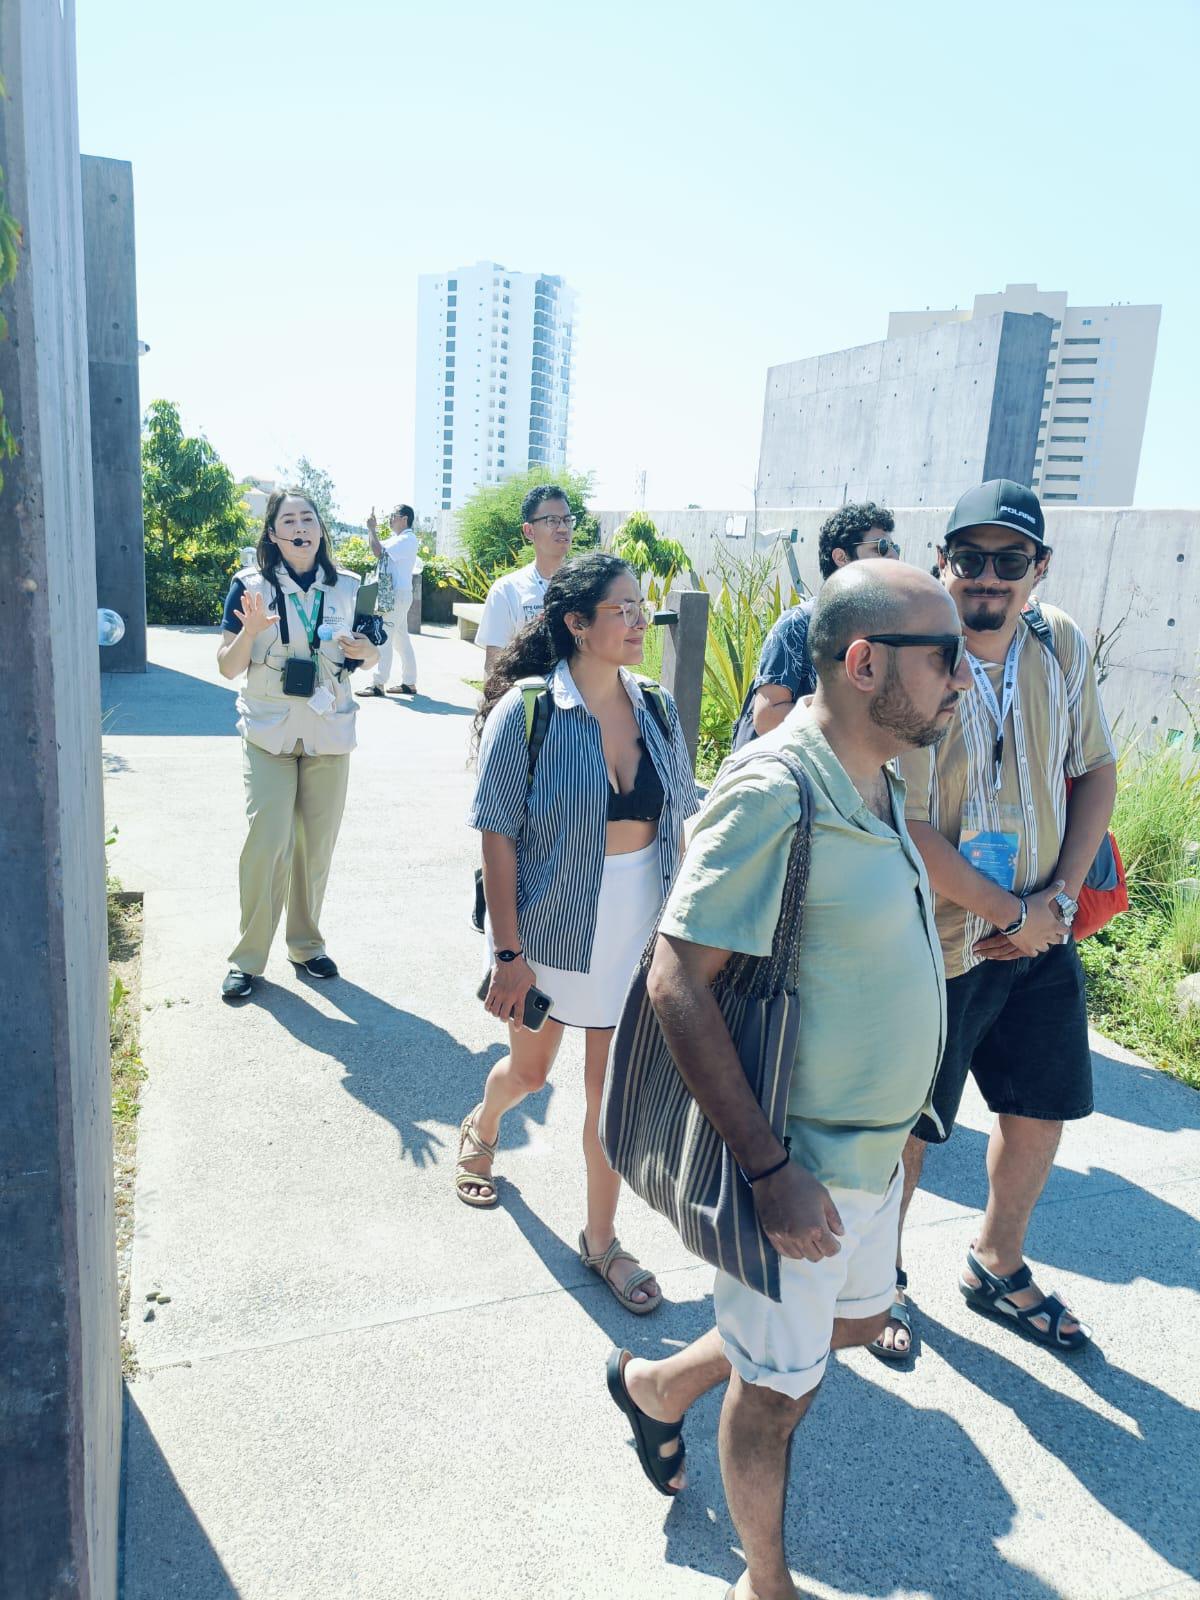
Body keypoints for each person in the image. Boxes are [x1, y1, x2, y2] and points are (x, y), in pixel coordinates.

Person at [605, 561, 972, 1600]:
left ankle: (658, 1384)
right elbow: (678, 979)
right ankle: (764, 1585)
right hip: (799, 1169)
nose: (960, 678)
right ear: (864, 663)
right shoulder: (775, 786)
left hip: (870, 1159)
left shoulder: (882, 775)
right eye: (941, 657)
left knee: (845, 1330)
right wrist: (768, 1169)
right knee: (774, 1396)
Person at [873, 479, 1117, 1362]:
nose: (987, 577)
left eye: (1008, 559)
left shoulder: (1062, 646)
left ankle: (996, 1262)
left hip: (1042, 929)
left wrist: (1053, 905)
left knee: (1037, 1110)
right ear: (943, 563)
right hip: (934, 943)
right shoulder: (911, 660)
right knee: (907, 1129)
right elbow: (907, 823)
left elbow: (1095, 770)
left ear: (1038, 568)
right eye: (969, 558)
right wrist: (1011, 911)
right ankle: (878, 1283)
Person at [456, 552, 698, 1313]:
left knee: (609, 1098)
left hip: (638, 930)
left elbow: (679, 827)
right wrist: (508, 955)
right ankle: (485, 1120)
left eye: (640, 607)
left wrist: (686, 940)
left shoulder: (656, 705)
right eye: (621, 609)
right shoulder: (527, 710)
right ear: (577, 623)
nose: (638, 621)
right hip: (552, 930)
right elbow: (496, 834)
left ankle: (601, 1240)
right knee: (529, 1075)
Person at [217, 491, 379, 1000]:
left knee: (315, 847)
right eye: (288, 519)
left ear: (321, 530)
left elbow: (370, 656)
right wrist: (249, 632)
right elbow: (227, 666)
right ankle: (248, 958)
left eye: (308, 517)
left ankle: (306, 946)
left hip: (329, 732)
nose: (300, 526)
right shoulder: (249, 587)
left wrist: (365, 651)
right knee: (267, 843)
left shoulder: (352, 587)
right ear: (272, 534)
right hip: (269, 732)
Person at [732, 502, 901, 748]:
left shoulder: (881, 630)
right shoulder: (798, 625)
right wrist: (847, 720)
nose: (893, 556)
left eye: (894, 547)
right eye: (881, 547)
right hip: (788, 779)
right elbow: (766, 717)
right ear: (841, 557)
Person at [475, 484, 575, 673]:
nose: (563, 528)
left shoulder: (588, 586)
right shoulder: (507, 590)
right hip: (529, 700)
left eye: (567, 520)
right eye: (552, 520)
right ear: (529, 531)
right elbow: (494, 667)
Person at [360, 503, 420, 696]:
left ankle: (378, 684)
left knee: (384, 636)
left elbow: (378, 550)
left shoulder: (407, 539)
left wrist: (371, 528)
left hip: (396, 595)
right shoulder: (399, 539)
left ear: (405, 518)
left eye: (394, 515)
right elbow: (376, 547)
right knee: (401, 641)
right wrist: (372, 531)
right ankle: (409, 683)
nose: (390, 519)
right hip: (397, 594)